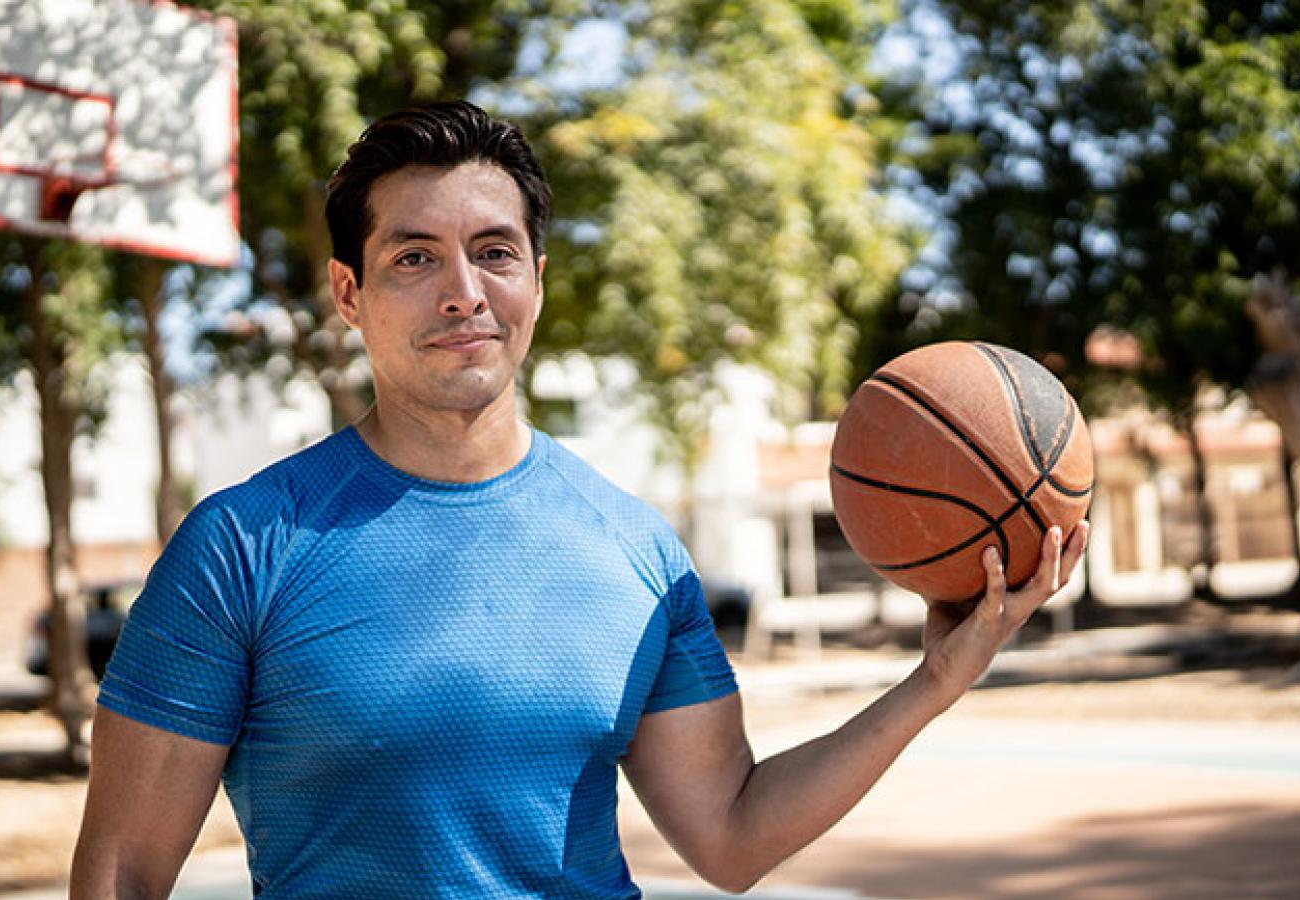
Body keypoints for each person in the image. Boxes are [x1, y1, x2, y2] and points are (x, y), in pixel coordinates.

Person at [69, 100, 1088, 899]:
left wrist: (933, 683)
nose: (463, 291)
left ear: (537, 279)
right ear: (348, 294)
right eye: (413, 257)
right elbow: (121, 878)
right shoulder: (242, 547)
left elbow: (728, 835)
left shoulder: (635, 547)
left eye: (494, 252)